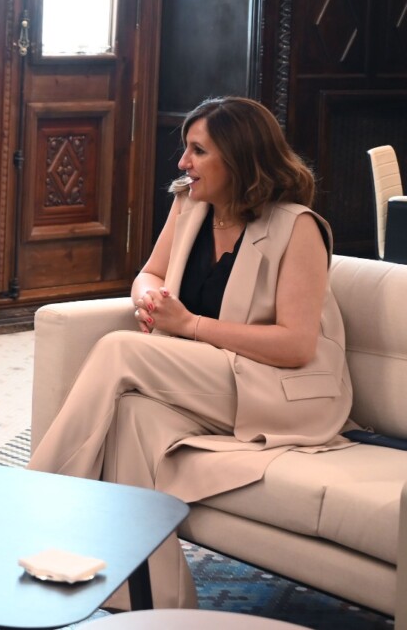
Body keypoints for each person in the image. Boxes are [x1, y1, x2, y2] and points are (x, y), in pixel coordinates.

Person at [27, 96, 353, 608]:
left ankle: (31, 501)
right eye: (186, 149)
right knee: (135, 418)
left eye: (198, 151)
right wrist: (148, 299)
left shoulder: (298, 227)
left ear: (240, 158)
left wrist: (190, 324)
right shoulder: (190, 206)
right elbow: (151, 273)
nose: (183, 162)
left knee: (120, 349)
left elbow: (296, 344)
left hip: (283, 390)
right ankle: (156, 602)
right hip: (213, 382)